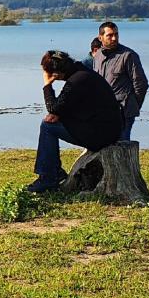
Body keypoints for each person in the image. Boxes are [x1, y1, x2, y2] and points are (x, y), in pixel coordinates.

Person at [27, 50, 123, 193]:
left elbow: (53, 107)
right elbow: (68, 106)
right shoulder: (82, 73)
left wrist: (47, 85)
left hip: (101, 135)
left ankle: (49, 177)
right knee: (51, 122)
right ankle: (53, 172)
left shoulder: (76, 81)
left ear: (56, 74)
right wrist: (59, 115)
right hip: (109, 129)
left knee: (47, 127)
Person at [93, 22, 149, 140]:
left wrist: (133, 105)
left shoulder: (128, 55)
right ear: (100, 37)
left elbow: (141, 84)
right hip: (104, 111)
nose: (114, 38)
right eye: (110, 35)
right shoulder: (97, 55)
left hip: (124, 112)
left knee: (122, 146)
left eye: (116, 34)